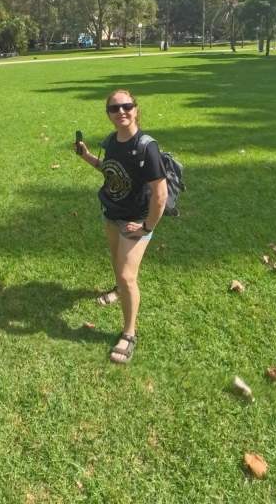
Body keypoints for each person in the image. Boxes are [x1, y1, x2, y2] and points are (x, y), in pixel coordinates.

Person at [76, 89, 168, 364]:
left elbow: (160, 194)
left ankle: (129, 333)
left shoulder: (146, 147)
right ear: (108, 114)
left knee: (128, 275)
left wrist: (146, 226)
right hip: (112, 213)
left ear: (136, 109)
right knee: (117, 263)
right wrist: (88, 157)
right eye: (114, 109)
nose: (121, 112)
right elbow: (111, 171)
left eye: (126, 106)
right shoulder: (112, 141)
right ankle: (117, 290)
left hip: (136, 219)